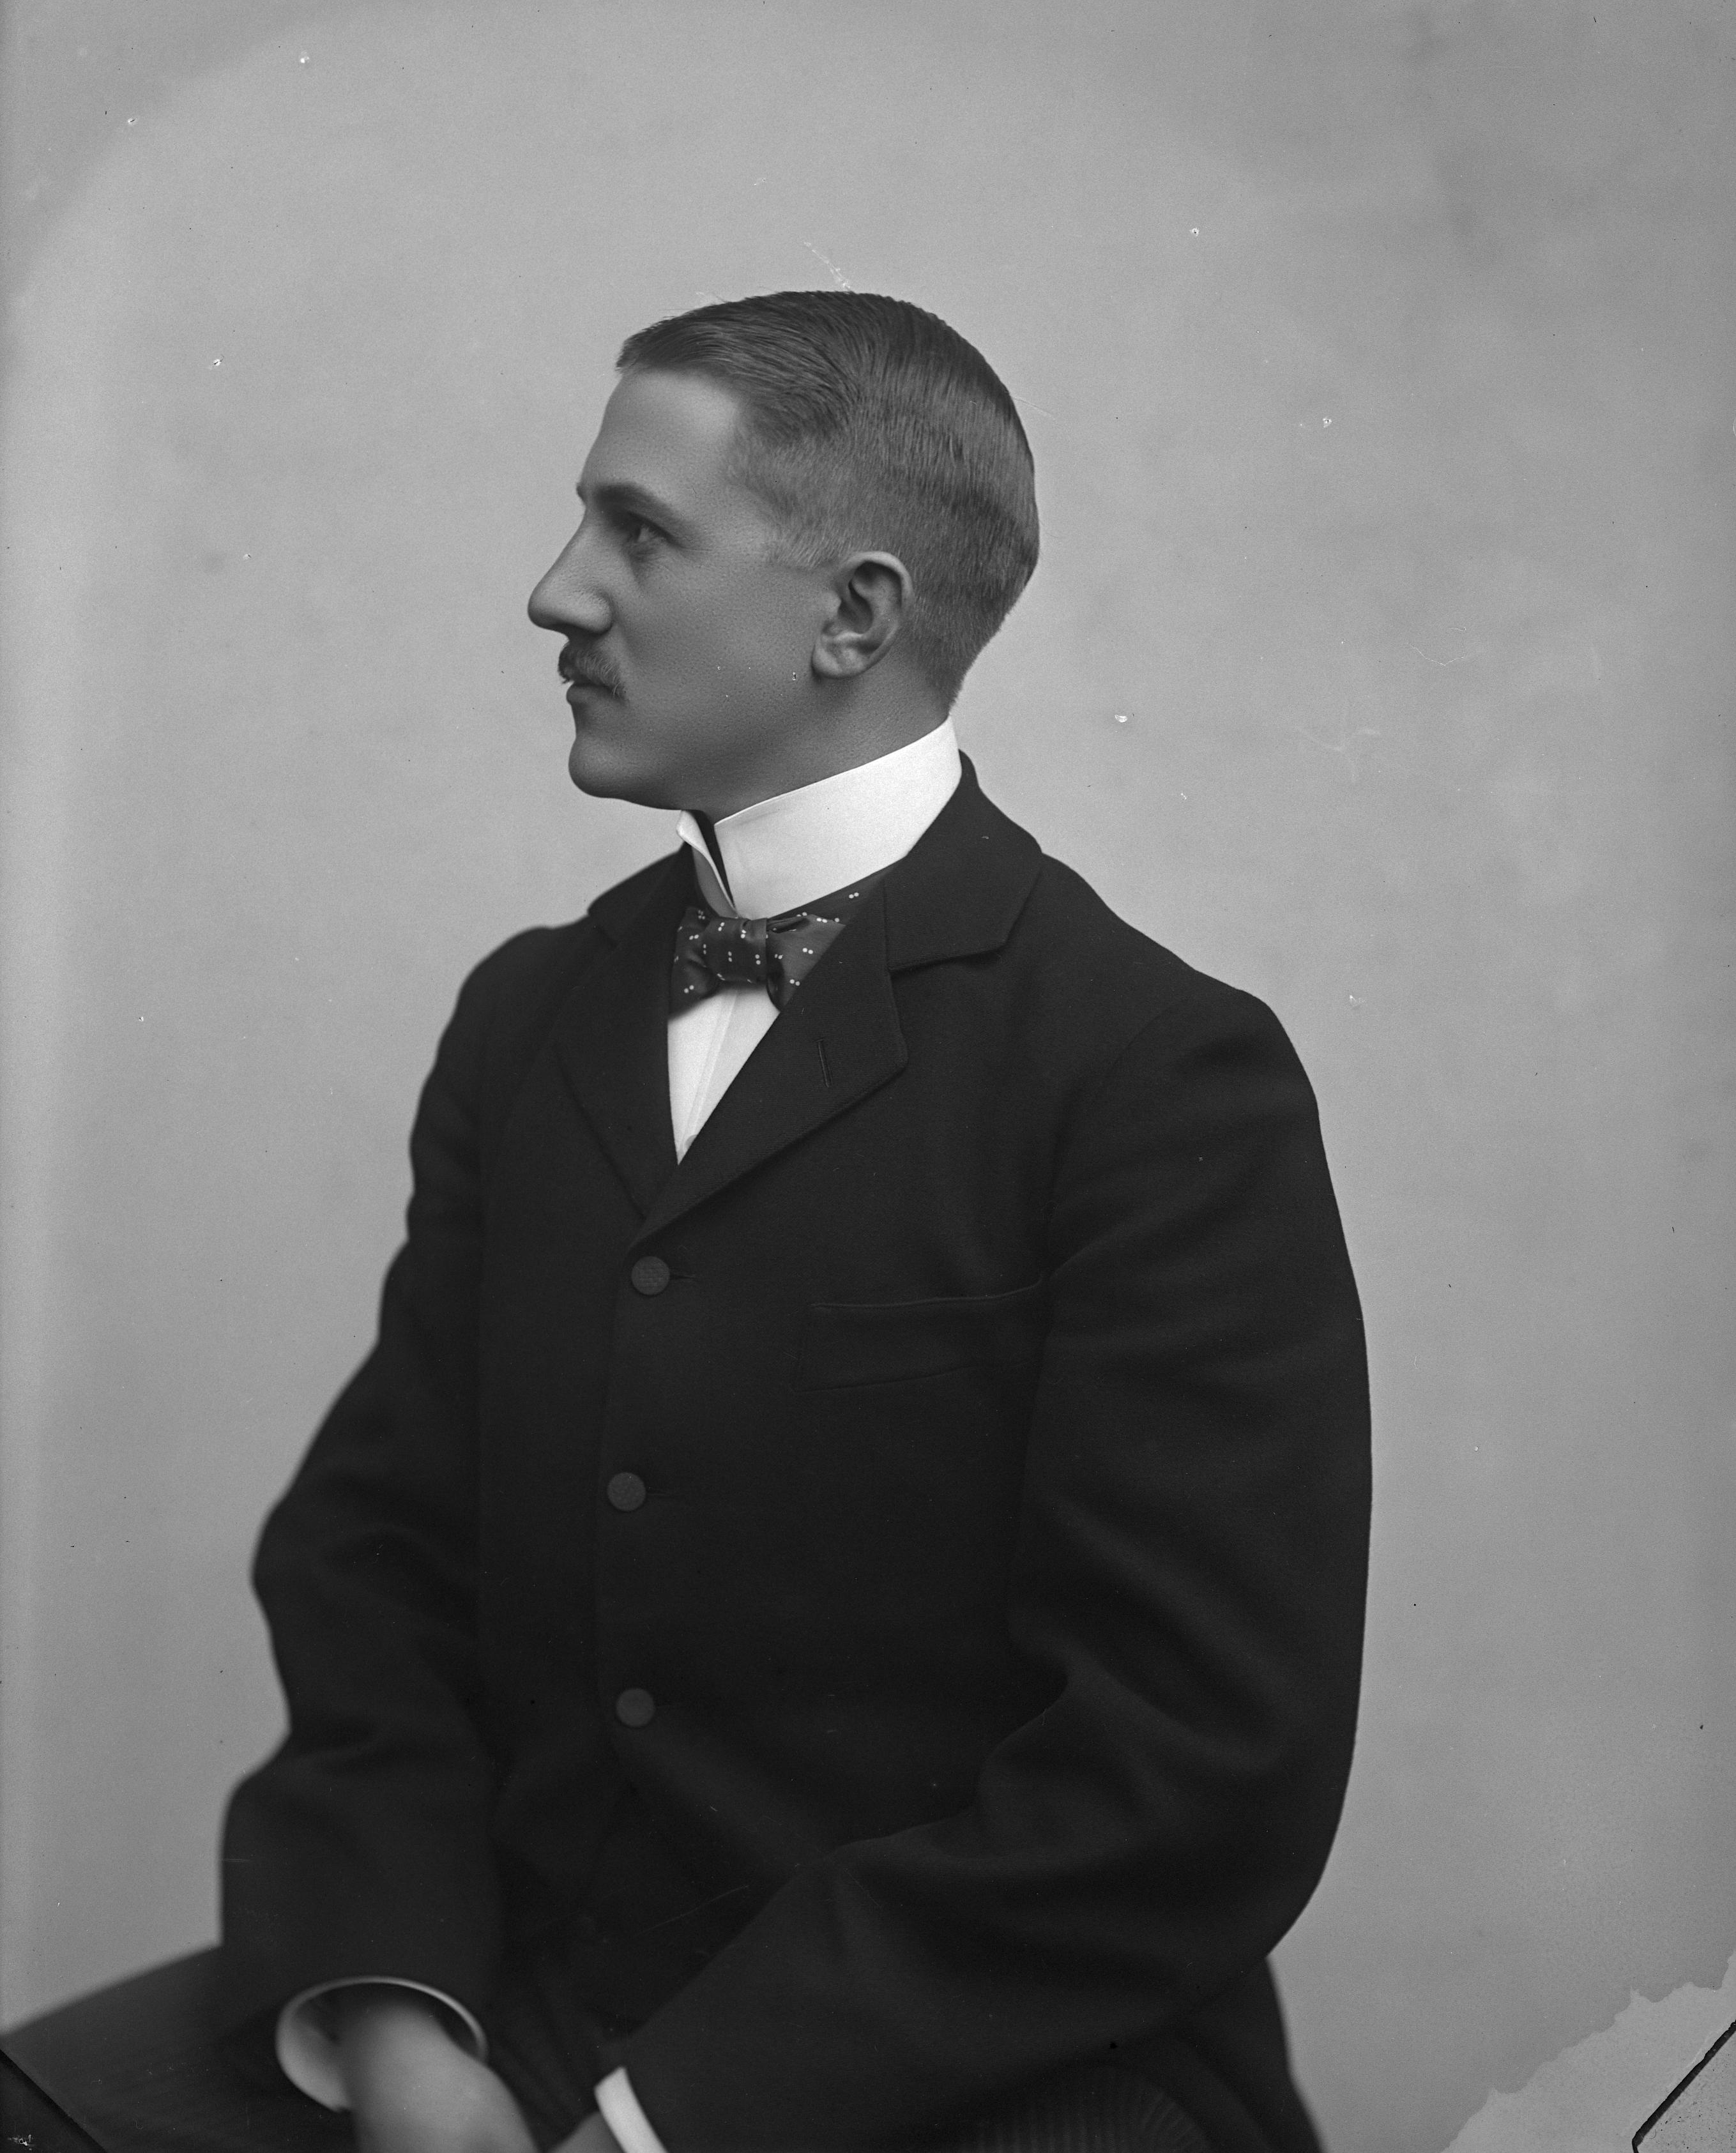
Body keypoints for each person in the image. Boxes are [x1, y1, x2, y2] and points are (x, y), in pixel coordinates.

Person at [216, 291, 1371, 2153]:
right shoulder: (533, 1015)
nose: (556, 593)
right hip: (509, 2013)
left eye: (639, 532)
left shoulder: (1156, 1076)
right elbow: (379, 1559)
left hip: (978, 2071)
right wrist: (404, 2020)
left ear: (856, 615)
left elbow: (1190, 1768)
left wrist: (661, 2126)